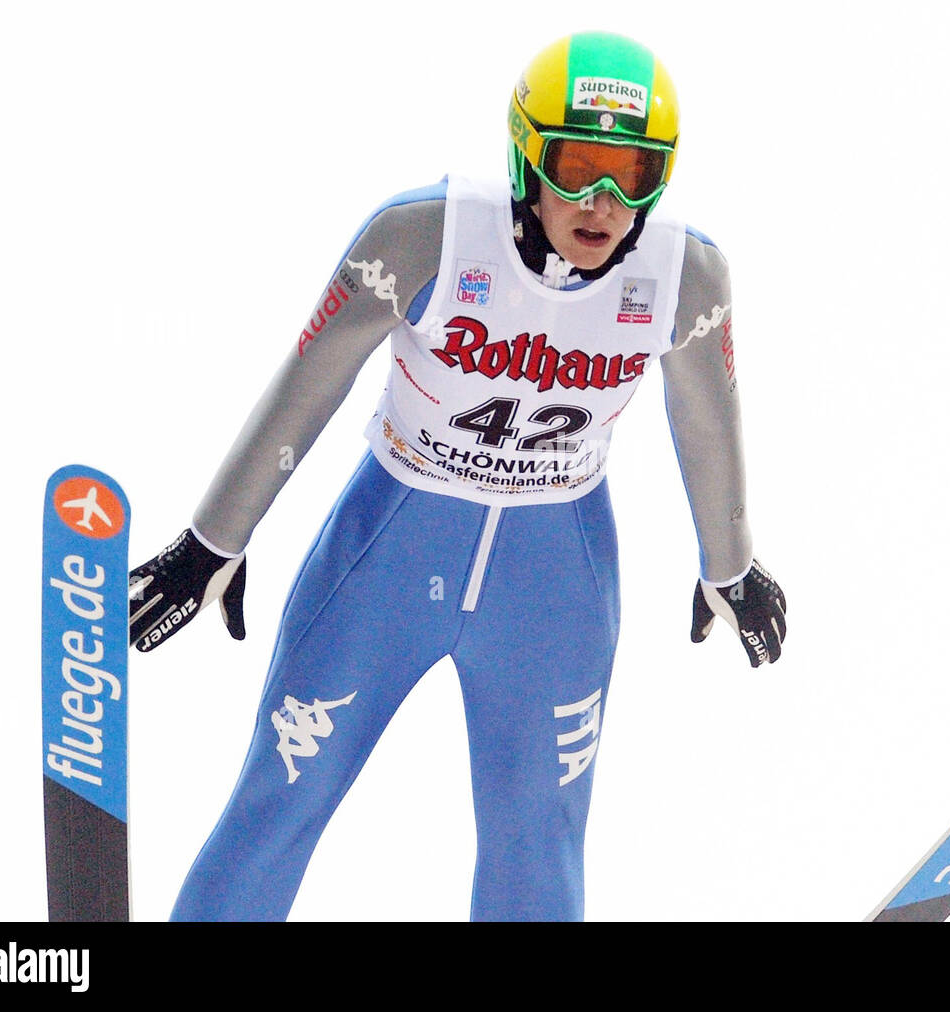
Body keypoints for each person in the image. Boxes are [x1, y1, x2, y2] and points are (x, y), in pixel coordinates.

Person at [127, 30, 787, 922]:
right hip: (388, 554)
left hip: (554, 587)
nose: (599, 201)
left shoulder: (685, 277)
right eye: (575, 167)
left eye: (631, 174)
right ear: (525, 157)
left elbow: (707, 422)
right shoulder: (422, 237)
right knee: (278, 804)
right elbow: (307, 383)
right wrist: (213, 541)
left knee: (537, 842)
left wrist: (731, 568)